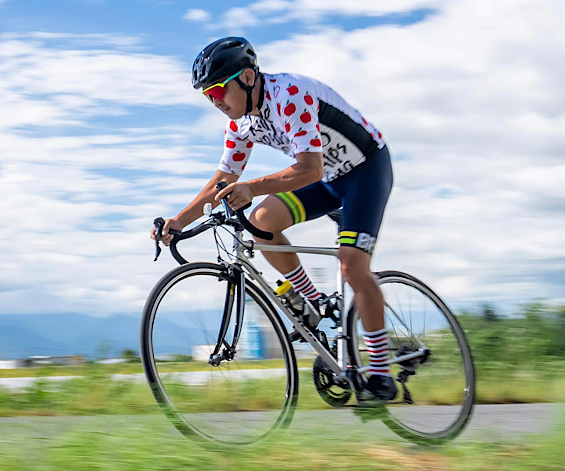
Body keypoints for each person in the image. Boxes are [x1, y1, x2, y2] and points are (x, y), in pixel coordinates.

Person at [155, 36, 397, 404]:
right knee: (263, 222)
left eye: (219, 89)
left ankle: (380, 371)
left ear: (249, 78)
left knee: (352, 267)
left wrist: (251, 187)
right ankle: (313, 303)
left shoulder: (290, 94)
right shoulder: (240, 124)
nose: (216, 101)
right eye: (208, 96)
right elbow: (224, 180)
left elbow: (309, 168)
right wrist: (180, 221)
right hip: (327, 179)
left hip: (365, 170)